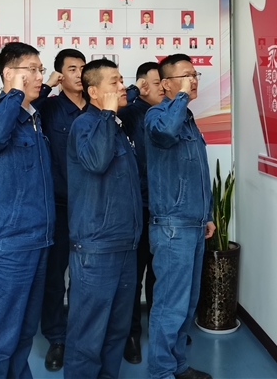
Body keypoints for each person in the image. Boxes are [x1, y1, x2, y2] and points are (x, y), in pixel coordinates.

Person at [0, 42, 54, 378]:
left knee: (22, 335)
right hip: (5, 246)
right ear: (9, 74)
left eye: (40, 69)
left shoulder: (33, 120)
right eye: (31, 70)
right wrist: (15, 94)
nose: (39, 76)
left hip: (36, 241)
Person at [63, 59, 142, 379]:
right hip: (96, 246)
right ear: (94, 92)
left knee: (116, 329)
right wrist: (108, 115)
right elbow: (96, 162)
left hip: (124, 243)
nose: (122, 87)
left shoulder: (117, 126)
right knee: (88, 333)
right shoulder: (86, 124)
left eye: (122, 80)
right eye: (114, 82)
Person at [145, 54, 214, 379]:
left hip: (194, 225)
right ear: (166, 84)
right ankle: (160, 371)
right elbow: (164, 135)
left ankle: (178, 365)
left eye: (195, 75)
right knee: (170, 305)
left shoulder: (187, 118)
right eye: (186, 76)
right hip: (172, 228)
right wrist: (182, 96)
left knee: (187, 304)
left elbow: (198, 171)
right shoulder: (158, 115)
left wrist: (207, 214)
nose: (193, 80)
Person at [32, 49, 87, 372]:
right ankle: (57, 337)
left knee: (85, 276)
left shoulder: (97, 107)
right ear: (60, 74)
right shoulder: (49, 107)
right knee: (54, 276)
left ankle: (80, 334)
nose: (79, 74)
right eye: (72, 69)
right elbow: (24, 112)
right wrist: (45, 87)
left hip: (93, 208)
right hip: (59, 205)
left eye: (83, 68)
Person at [118, 62, 163, 365]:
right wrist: (134, 92)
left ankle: (161, 330)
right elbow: (109, 114)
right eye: (156, 83)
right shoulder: (129, 113)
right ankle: (131, 335)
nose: (162, 88)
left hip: (164, 210)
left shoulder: (169, 113)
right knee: (133, 278)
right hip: (136, 209)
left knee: (160, 276)